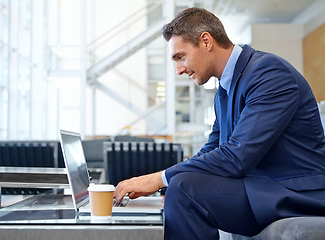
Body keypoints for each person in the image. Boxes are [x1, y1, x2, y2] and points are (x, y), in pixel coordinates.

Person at [114, 7, 325, 240]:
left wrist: (159, 179)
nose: (179, 69)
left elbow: (236, 157)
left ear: (206, 41)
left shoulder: (269, 73)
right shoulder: (224, 90)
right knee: (181, 186)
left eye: (181, 57)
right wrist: (164, 182)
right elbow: (212, 150)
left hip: (296, 193)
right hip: (263, 188)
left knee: (185, 189)